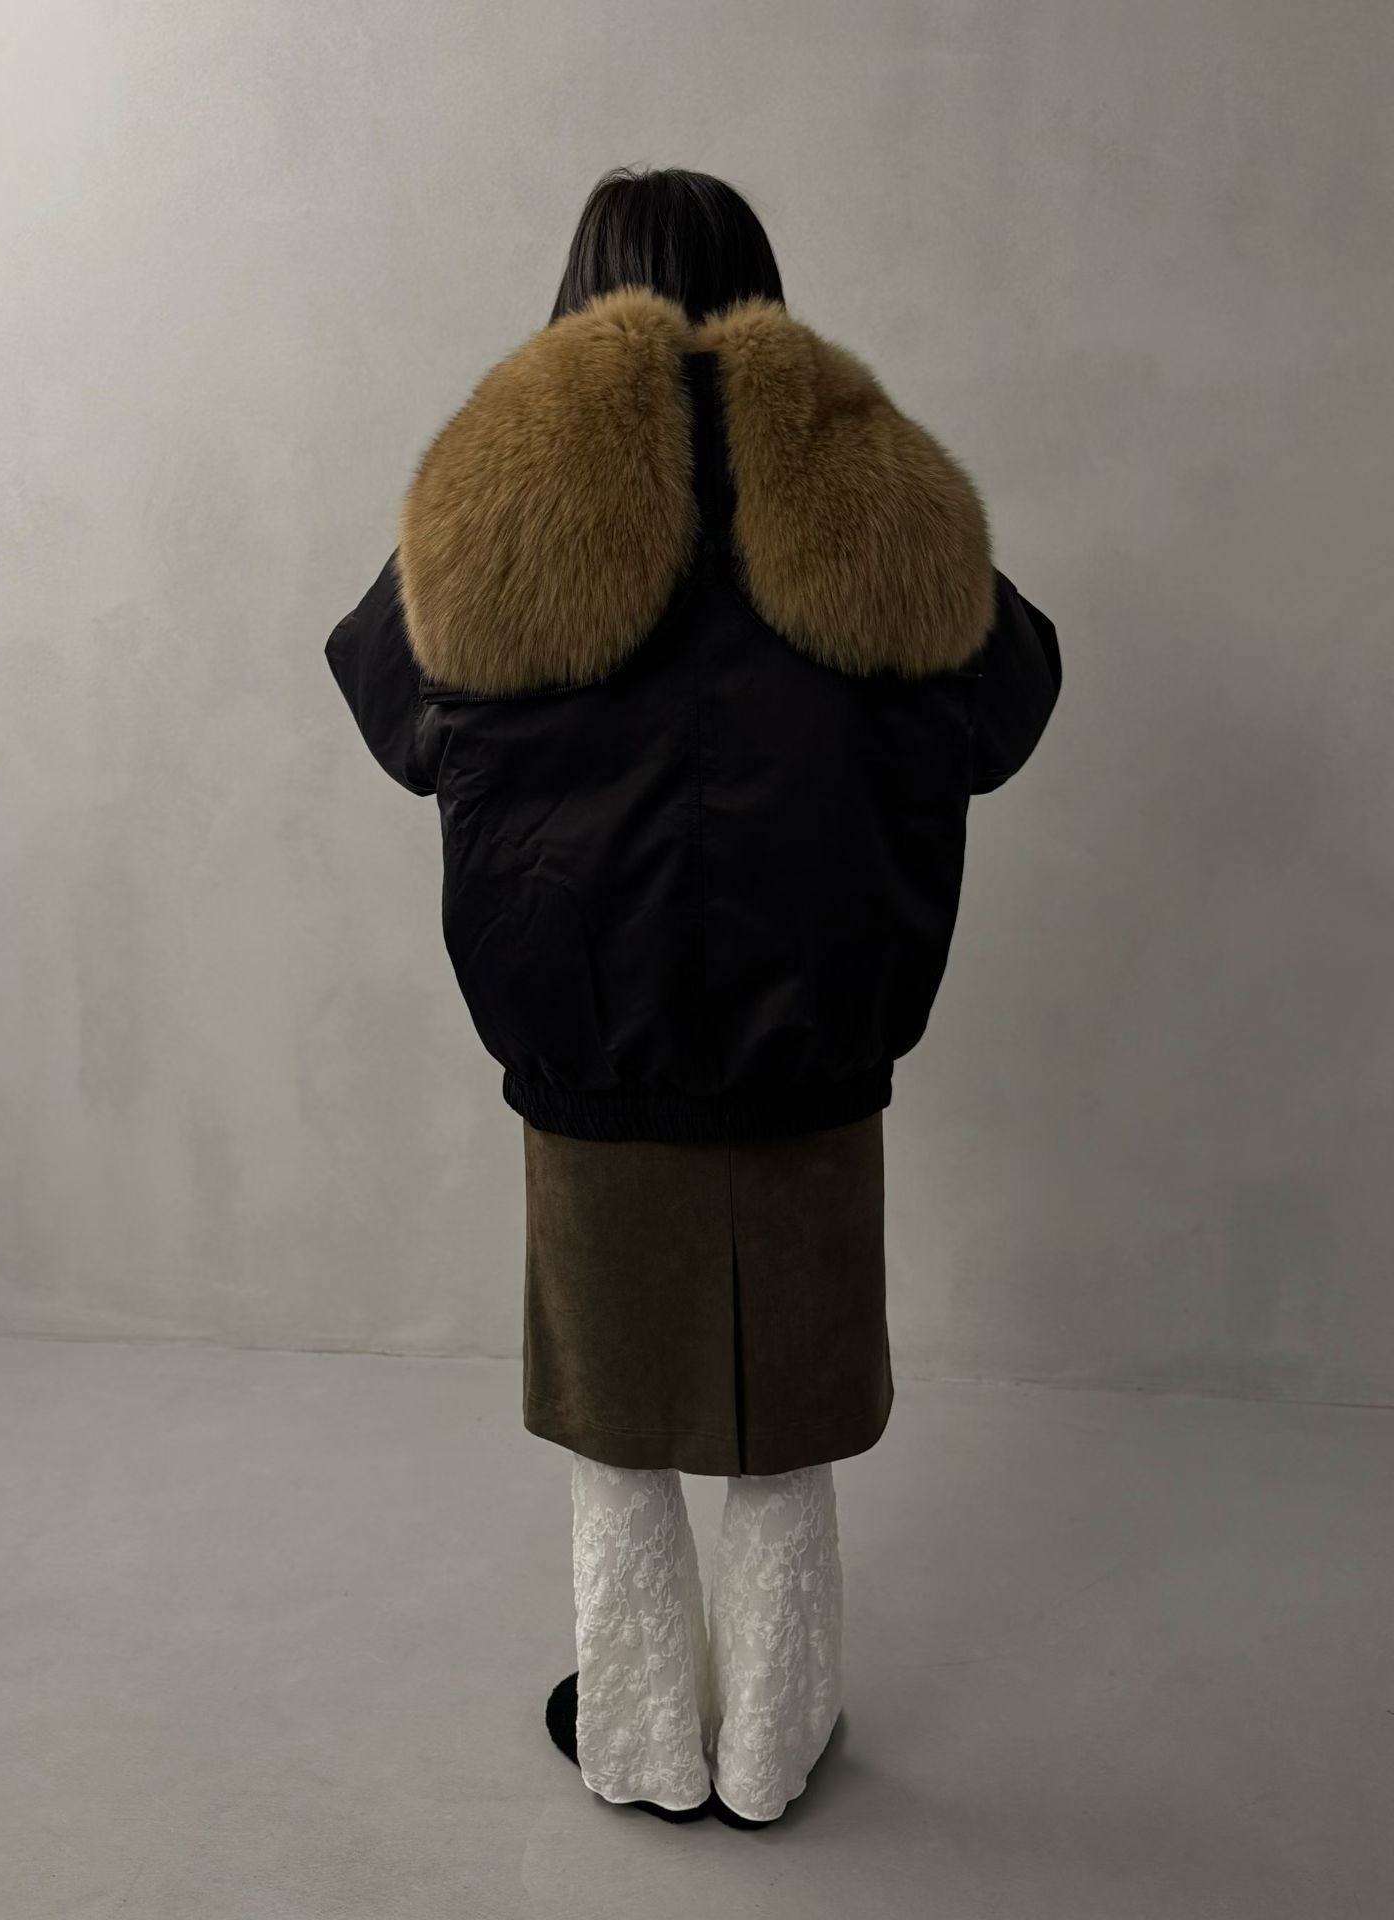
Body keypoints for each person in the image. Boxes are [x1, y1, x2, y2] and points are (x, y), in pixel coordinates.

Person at [325, 165, 1061, 1828]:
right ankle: (773, 1744)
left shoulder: (499, 490)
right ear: (759, 289)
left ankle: (642, 1740)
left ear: (583, 291)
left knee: (618, 1422)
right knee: (789, 1429)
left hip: (593, 1053)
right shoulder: (873, 481)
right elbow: (1008, 705)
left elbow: (391, 711)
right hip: (817, 1056)